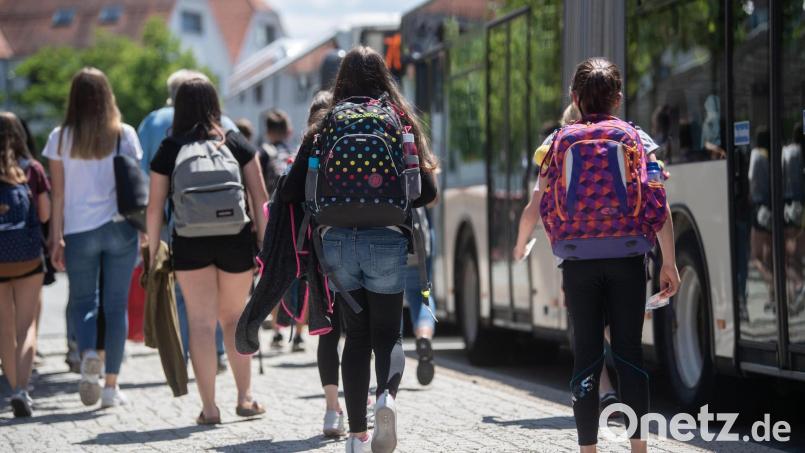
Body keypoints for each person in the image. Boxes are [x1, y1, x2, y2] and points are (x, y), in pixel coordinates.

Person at [514, 58, 680, 452]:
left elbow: (536, 204)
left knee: (586, 359)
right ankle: (639, 448)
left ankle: (588, 449)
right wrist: (669, 262)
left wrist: (520, 245)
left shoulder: (556, 143)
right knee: (629, 356)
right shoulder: (636, 139)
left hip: (577, 262)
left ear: (574, 98)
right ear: (617, 99)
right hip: (628, 258)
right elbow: (658, 204)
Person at [281, 46, 438, 453]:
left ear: (341, 79)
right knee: (388, 334)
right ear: (383, 77)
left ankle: (356, 435)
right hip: (386, 237)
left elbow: (294, 189)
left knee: (356, 338)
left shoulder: (326, 123)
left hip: (336, 243)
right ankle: (385, 399)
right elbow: (427, 191)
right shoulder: (398, 119)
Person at [146, 77, 269, 425]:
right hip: (235, 240)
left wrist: (154, 252)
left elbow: (154, 208)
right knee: (234, 318)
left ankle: (210, 408)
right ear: (215, 105)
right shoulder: (235, 142)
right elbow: (260, 197)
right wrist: (264, 244)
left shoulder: (170, 148)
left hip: (189, 242)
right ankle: (246, 398)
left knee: (200, 324)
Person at [43, 68, 142, 408]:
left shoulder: (59, 138)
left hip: (78, 231)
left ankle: (87, 355)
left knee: (84, 302)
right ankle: (111, 387)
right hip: (120, 228)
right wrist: (144, 230)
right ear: (107, 96)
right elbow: (135, 185)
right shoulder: (124, 134)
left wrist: (55, 237)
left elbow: (58, 194)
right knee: (116, 307)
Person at [137, 69, 231, 373]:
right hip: (225, 221)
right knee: (217, 290)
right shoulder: (224, 124)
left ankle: (188, 351)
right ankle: (217, 351)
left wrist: (148, 238)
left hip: (174, 218)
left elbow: (143, 172)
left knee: (180, 291)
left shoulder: (154, 122)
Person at [0, 112, 50, 417]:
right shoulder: (32, 169)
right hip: (28, 257)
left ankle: (11, 388)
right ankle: (22, 390)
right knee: (26, 325)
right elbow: (44, 215)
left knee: (4, 329)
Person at [258, 108, 302, 351]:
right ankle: (299, 335)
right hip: (296, 222)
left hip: (273, 222)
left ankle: (277, 332)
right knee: (300, 276)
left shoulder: (262, 154)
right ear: (287, 131)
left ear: (267, 131)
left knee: (273, 276)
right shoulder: (295, 152)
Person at [403, 206, 437, 386]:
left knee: (388, 299)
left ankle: (392, 358)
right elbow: (432, 199)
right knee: (422, 294)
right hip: (417, 241)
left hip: (383, 242)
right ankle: (424, 337)